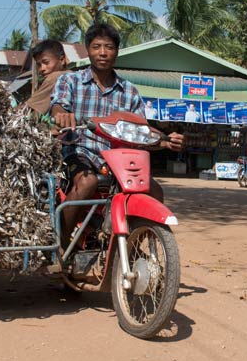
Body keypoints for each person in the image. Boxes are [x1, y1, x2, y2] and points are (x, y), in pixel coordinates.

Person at [50, 23, 183, 239]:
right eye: (97, 47)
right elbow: (58, 105)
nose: (103, 52)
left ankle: (135, 244)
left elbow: (141, 132)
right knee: (87, 182)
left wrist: (164, 141)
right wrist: (62, 114)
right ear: (88, 49)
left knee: (155, 190)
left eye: (109, 47)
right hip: (78, 151)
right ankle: (61, 242)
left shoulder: (129, 91)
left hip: (117, 160)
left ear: (116, 51)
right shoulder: (70, 80)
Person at [24, 39, 68, 116]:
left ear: (62, 60)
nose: (42, 69)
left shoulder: (55, 78)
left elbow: (25, 109)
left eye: (46, 62)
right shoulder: (73, 75)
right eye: (39, 65)